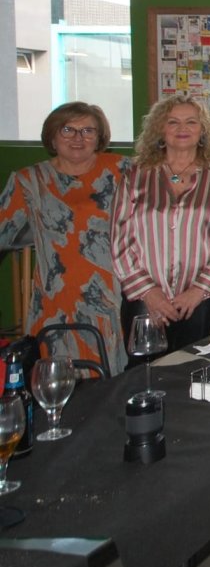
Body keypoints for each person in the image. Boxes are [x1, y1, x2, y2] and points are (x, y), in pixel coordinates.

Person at [0, 102, 129, 374]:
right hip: (55, 297)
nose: (78, 138)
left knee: (109, 380)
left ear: (100, 137)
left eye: (88, 131)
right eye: (68, 129)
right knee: (52, 379)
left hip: (109, 296)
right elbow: (4, 233)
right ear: (53, 136)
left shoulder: (122, 170)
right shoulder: (28, 181)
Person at [112, 95, 210, 352]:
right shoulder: (135, 177)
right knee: (144, 367)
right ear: (160, 129)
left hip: (205, 296)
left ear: (203, 130)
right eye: (173, 122)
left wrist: (198, 290)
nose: (182, 129)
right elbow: (120, 239)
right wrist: (149, 292)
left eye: (191, 122)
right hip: (145, 295)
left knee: (196, 367)